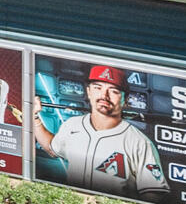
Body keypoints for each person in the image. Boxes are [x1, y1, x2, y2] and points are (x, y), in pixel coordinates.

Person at [33, 65, 167, 194]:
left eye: (113, 91)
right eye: (98, 88)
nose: (104, 96)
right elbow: (52, 148)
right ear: (89, 92)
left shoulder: (140, 143)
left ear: (125, 100)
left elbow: (154, 193)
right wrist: (34, 117)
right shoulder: (72, 125)